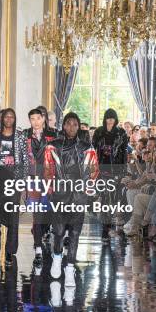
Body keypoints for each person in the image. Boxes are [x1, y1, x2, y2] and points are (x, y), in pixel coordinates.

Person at [44, 112, 98, 287]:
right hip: (59, 194)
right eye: (68, 123)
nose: (72, 127)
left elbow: (93, 170)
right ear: (63, 125)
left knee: (75, 234)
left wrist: (88, 187)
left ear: (79, 126)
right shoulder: (53, 146)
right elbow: (48, 169)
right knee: (58, 232)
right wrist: (50, 187)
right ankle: (57, 259)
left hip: (78, 195)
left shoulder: (87, 147)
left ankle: (70, 268)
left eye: (75, 124)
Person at [0, 108, 28, 266]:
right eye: (6, 116)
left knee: (13, 215)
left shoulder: (20, 135)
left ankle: (9, 250)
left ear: (15, 119)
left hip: (15, 179)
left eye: (11, 117)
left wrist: (23, 182)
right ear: (2, 118)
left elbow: (25, 160)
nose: (8, 119)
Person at [25, 106, 57, 268]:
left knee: (49, 213)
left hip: (50, 180)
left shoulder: (53, 135)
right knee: (37, 216)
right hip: (33, 180)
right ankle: (38, 250)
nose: (35, 122)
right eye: (32, 119)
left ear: (43, 119)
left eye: (38, 118)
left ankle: (45, 233)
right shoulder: (25, 136)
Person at [92, 108, 129, 241]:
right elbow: (93, 148)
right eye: (108, 117)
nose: (110, 120)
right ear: (105, 118)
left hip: (116, 169)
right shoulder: (99, 132)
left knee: (113, 197)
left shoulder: (121, 132)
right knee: (104, 196)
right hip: (101, 168)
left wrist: (124, 169)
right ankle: (105, 227)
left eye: (112, 118)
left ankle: (109, 224)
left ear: (115, 119)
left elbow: (124, 151)